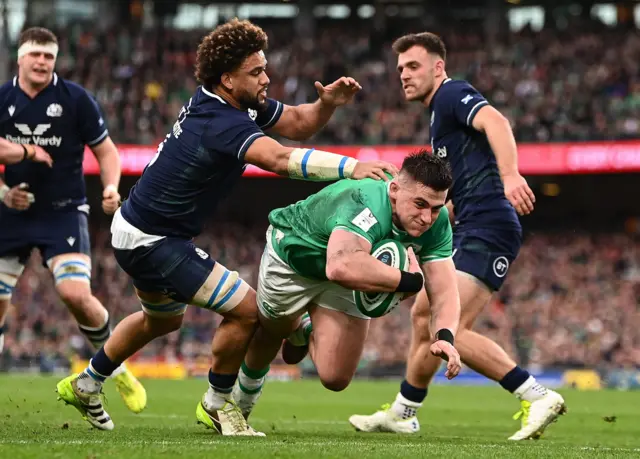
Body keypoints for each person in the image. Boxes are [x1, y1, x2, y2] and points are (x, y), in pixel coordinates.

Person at [55, 18, 396, 435]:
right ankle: (217, 404)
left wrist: (327, 105)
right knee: (248, 311)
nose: (266, 77)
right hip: (152, 238)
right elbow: (277, 159)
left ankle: (87, 383)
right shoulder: (220, 121)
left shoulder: (236, 104)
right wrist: (352, 166)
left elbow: (299, 124)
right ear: (228, 79)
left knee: (161, 321)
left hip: (143, 228)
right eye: (256, 72)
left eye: (264, 67)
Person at [347, 32, 566, 441]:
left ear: (438, 67)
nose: (404, 76)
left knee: (450, 329)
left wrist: (510, 174)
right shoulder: (438, 118)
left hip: (488, 224)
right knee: (423, 316)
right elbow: (452, 195)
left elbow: (496, 121)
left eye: (413, 66)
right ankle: (404, 410)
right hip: (469, 223)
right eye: (400, 69)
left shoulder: (451, 95)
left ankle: (534, 395)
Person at [232, 152, 462, 420]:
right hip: (295, 258)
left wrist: (445, 337)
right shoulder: (366, 198)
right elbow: (339, 265)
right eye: (420, 204)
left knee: (336, 378)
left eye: (436, 207)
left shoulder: (438, 223)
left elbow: (445, 288)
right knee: (272, 330)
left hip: (354, 270)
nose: (427, 217)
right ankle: (239, 403)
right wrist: (409, 281)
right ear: (395, 190)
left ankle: (305, 331)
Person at [0, 27, 146, 412]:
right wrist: (3, 191)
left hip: (63, 210)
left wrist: (112, 187)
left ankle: (117, 370)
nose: (42, 62)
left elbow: (108, 151)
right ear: (20, 57)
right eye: (35, 55)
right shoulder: (1, 99)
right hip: (10, 211)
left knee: (75, 295)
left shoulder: (75, 99)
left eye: (49, 56)